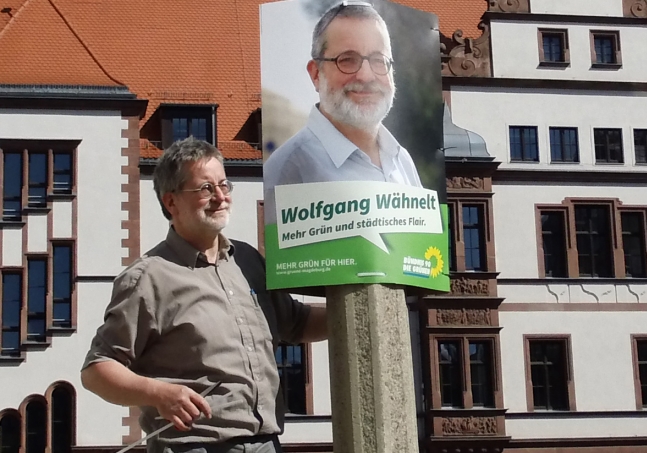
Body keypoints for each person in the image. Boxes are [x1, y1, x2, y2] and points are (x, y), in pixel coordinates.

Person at [81, 137, 327, 453]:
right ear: (171, 202)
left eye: (224, 185)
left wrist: (363, 308)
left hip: (266, 443)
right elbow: (97, 370)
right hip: (194, 445)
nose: (220, 197)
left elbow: (298, 322)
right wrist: (158, 393)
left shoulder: (248, 260)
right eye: (206, 189)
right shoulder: (148, 278)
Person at [263, 2, 421, 223]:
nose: (366, 76)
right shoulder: (287, 168)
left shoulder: (402, 161)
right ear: (316, 74)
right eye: (347, 60)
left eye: (378, 60)